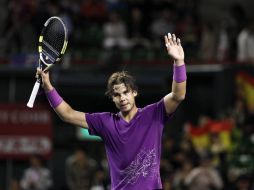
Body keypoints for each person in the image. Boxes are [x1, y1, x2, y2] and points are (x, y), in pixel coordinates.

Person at [37, 33, 186, 190]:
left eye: (126, 92)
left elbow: (178, 95)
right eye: (117, 94)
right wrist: (48, 87)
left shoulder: (154, 114)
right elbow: (67, 114)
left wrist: (179, 61)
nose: (122, 98)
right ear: (112, 98)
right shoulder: (105, 122)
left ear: (134, 92)